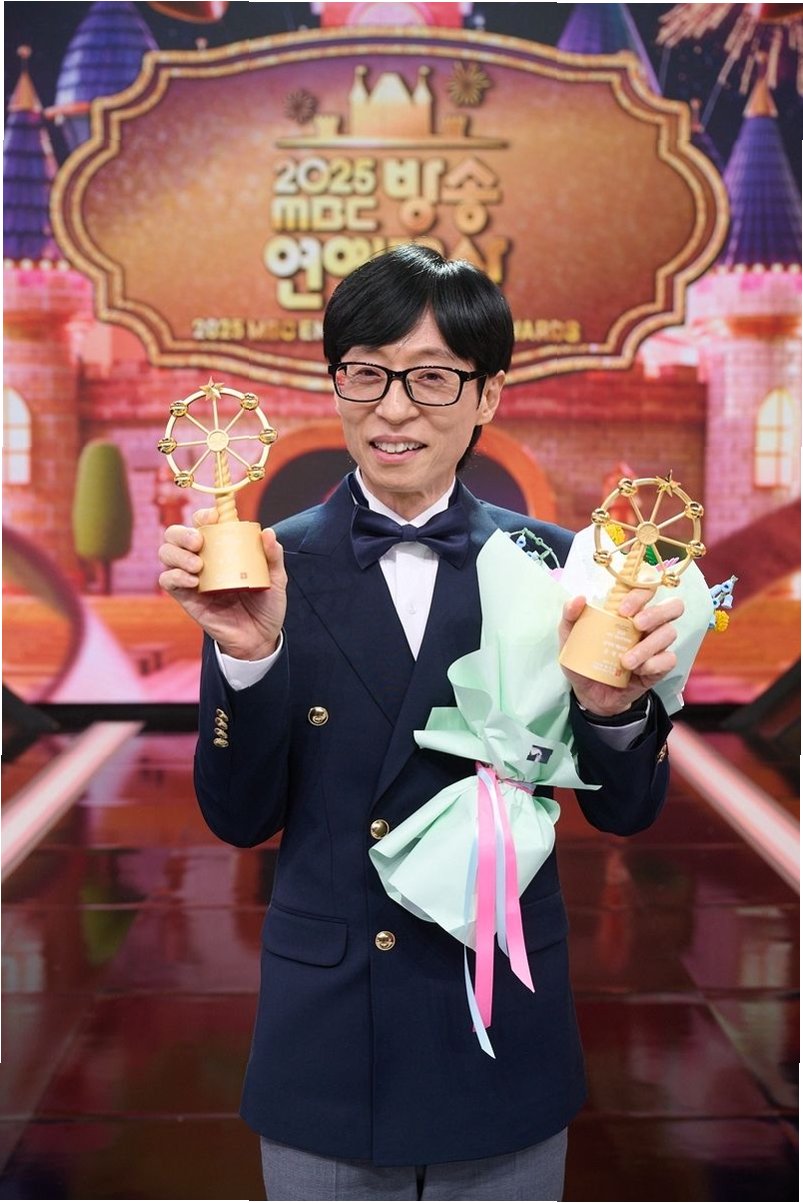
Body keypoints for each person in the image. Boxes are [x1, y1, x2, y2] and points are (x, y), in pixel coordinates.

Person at [158, 245, 683, 1202]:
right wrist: (249, 657)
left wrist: (611, 711)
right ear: (336, 383)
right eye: (365, 372)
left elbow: (627, 812)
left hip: (498, 1024)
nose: (393, 409)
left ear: (487, 396)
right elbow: (237, 819)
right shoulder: (265, 568)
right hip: (328, 1036)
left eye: (432, 377)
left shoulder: (557, 568)